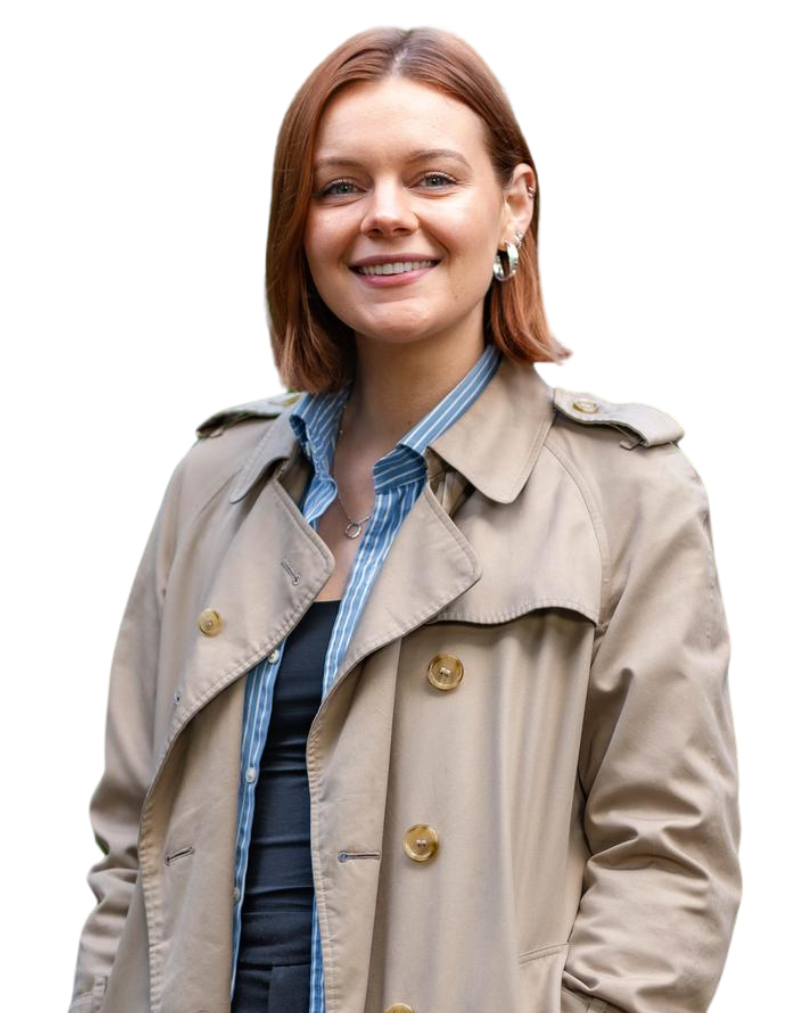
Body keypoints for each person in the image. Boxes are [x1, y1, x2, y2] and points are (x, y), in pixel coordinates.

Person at [66, 23, 743, 1013]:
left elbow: (671, 859)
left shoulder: (629, 493)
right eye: (341, 187)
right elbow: (128, 838)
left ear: (513, 204)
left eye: (432, 179)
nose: (385, 217)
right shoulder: (209, 484)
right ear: (299, 225)